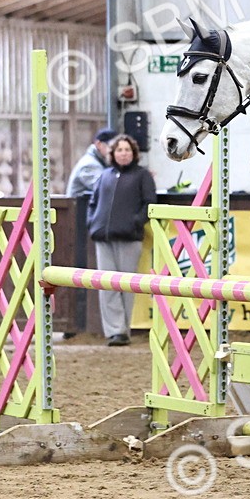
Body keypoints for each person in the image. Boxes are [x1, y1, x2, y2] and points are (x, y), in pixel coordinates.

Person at [86, 134, 155, 346]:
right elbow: (93, 202)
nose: (123, 153)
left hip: (129, 238)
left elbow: (149, 203)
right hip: (103, 238)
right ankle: (115, 331)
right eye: (119, 150)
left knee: (125, 284)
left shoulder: (142, 176)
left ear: (134, 153)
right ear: (112, 153)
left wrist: (135, 222)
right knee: (107, 285)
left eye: (127, 150)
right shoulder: (105, 175)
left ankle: (123, 329)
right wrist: (93, 222)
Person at [66, 127, 117, 197]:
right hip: (79, 207)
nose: (114, 151)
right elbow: (105, 188)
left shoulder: (100, 161)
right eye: (112, 147)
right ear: (99, 144)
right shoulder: (89, 165)